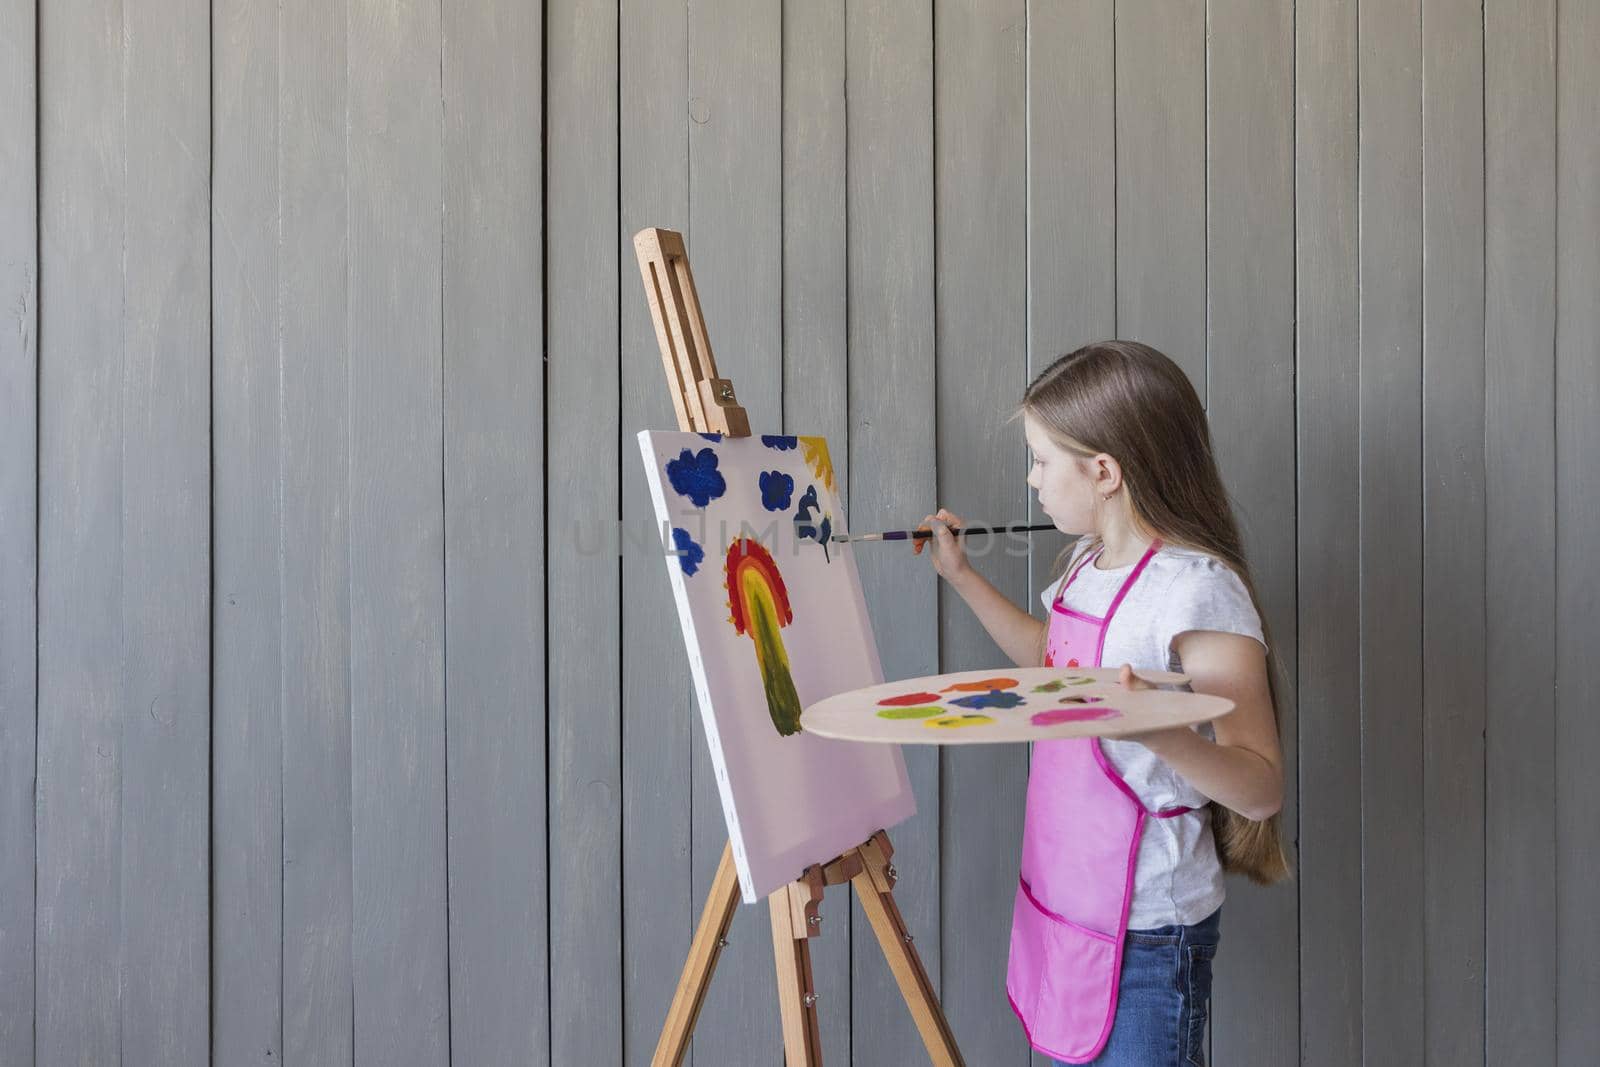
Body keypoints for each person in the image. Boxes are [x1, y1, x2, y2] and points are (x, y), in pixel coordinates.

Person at [915, 340, 1288, 1066]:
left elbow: (1263, 785)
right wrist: (960, 576)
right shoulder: (1088, 565)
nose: (1032, 478)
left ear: (1104, 471)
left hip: (1148, 930)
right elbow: (1053, 663)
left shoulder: (1195, 587)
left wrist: (1156, 730)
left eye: (1042, 459)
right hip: (1067, 904)